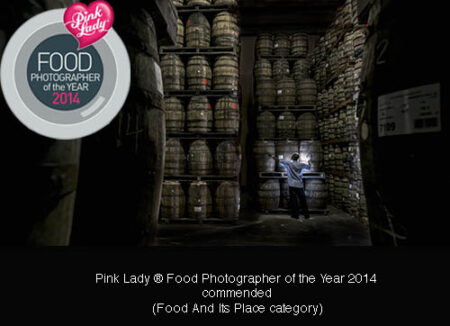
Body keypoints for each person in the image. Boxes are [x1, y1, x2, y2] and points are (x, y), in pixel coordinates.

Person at [272, 153, 311, 220]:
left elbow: (279, 161)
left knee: (293, 200)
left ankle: (295, 215)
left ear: (292, 158)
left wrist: (273, 156)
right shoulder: (301, 164)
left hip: (292, 185)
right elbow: (309, 167)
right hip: (299, 185)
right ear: (297, 158)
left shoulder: (289, 164)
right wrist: (309, 161)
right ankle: (306, 215)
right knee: (303, 200)